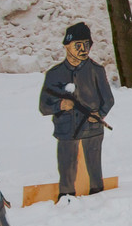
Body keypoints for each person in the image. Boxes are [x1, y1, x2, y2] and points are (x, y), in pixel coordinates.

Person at [39, 23, 115, 199]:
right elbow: (44, 106)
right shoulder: (54, 74)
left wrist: (100, 114)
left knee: (94, 168)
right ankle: (66, 199)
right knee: (67, 167)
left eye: (86, 45)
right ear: (67, 46)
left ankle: (97, 198)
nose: (83, 50)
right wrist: (59, 106)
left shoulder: (96, 70)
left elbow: (108, 99)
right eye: (78, 45)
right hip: (66, 130)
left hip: (92, 129)